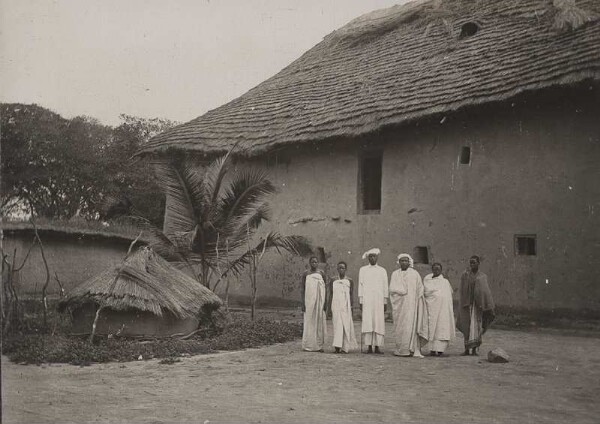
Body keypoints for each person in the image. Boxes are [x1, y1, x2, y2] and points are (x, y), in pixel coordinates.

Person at [389, 253, 427, 358]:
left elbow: (420, 288)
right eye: (402, 261)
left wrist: (418, 300)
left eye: (406, 261)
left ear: (409, 262)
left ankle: (411, 348)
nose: (404, 262)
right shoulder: (395, 274)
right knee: (400, 327)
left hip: (411, 306)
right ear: (399, 262)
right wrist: (402, 291)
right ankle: (401, 349)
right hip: (400, 306)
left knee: (410, 326)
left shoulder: (414, 274)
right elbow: (392, 289)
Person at [457, 255, 495, 356]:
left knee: (476, 326)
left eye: (474, 262)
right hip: (467, 304)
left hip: (478, 306)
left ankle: (474, 350)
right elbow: (462, 289)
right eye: (471, 263)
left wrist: (485, 304)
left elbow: (485, 292)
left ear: (478, 263)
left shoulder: (482, 276)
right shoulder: (465, 275)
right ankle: (466, 349)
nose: (472, 264)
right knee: (467, 326)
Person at [358, 248, 388, 354]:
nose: (372, 258)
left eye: (374, 256)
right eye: (370, 256)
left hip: (379, 301)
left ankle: (377, 347)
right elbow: (360, 286)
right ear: (368, 258)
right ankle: (369, 346)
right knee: (368, 322)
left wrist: (385, 301)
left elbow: (385, 287)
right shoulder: (363, 270)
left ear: (377, 257)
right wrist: (361, 300)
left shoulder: (382, 271)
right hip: (367, 300)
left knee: (378, 322)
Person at [423, 263, 455, 356]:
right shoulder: (427, 280)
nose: (436, 270)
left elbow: (448, 295)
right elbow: (426, 292)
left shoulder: (445, 282)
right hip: (432, 309)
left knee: (442, 328)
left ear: (441, 270)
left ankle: (441, 350)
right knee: (432, 327)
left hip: (443, 310)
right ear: (432, 270)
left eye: (438, 269)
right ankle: (432, 350)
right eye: (434, 269)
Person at [330, 261, 358, 353]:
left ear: (345, 269)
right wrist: (329, 308)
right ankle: (337, 347)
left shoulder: (349, 281)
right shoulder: (333, 280)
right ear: (337, 269)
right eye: (339, 268)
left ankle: (345, 347)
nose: (341, 269)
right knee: (337, 326)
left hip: (345, 306)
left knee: (345, 325)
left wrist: (351, 307)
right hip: (336, 305)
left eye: (343, 268)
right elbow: (331, 294)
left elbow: (351, 295)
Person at [300, 256, 327, 352]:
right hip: (309, 301)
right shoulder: (305, 273)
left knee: (318, 321)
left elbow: (325, 288)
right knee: (309, 320)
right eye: (312, 262)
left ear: (318, 263)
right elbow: (302, 289)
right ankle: (308, 344)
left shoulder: (321, 273)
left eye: (316, 262)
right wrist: (303, 303)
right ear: (309, 263)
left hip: (319, 301)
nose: (314, 264)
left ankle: (319, 345)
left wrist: (325, 303)